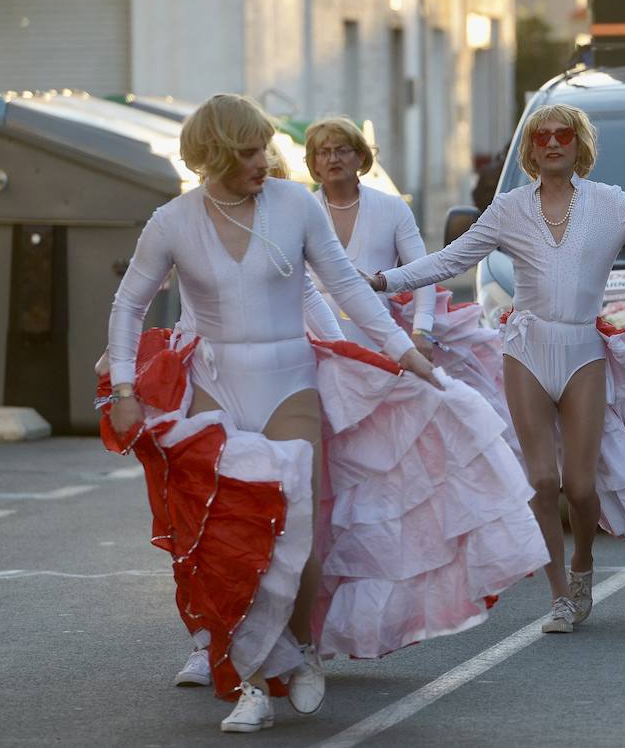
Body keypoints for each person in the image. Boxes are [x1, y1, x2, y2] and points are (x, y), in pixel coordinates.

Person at [106, 93, 443, 733]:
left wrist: (402, 350)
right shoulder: (173, 221)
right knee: (233, 537)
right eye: (251, 150)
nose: (267, 159)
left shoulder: (294, 206)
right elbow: (129, 306)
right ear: (216, 155)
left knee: (297, 530)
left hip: (291, 379)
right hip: (216, 383)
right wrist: (125, 388)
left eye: (265, 146)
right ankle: (253, 682)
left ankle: (303, 647)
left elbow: (344, 285)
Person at [368, 103, 625, 634]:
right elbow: (452, 258)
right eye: (542, 136)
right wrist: (384, 281)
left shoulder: (611, 204)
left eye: (564, 135)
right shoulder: (508, 207)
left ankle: (582, 568)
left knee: (580, 488)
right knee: (541, 480)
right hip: (525, 348)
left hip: (583, 350)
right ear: (532, 149)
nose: (553, 143)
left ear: (579, 145)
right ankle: (560, 596)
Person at [303, 117, 435, 359]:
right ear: (314, 163)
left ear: (361, 157)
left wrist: (422, 329)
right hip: (313, 341)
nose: (333, 159)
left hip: (380, 338)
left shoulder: (393, 207)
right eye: (324, 152)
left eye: (342, 150)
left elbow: (422, 272)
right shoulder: (301, 210)